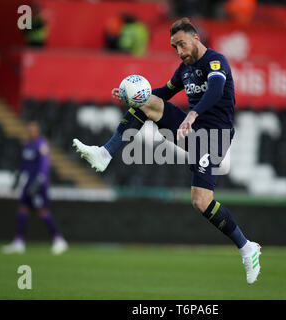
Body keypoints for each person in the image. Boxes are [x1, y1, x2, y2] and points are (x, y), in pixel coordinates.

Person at [73, 17, 261, 284]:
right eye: (175, 47)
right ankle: (104, 154)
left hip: (213, 137)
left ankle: (246, 247)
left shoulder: (215, 61)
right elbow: (164, 93)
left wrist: (193, 113)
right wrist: (131, 97)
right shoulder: (183, 69)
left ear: (196, 39)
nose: (180, 52)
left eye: (182, 44)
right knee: (144, 102)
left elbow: (217, 90)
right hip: (192, 130)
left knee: (201, 202)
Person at [2, 120, 68, 255]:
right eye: (29, 130)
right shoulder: (27, 145)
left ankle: (59, 240)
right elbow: (24, 165)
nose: (30, 132)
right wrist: (17, 178)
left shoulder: (41, 144)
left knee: (43, 211)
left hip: (38, 185)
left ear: (37, 131)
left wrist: (38, 182)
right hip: (28, 184)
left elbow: (44, 165)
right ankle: (19, 242)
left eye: (33, 130)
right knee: (23, 209)